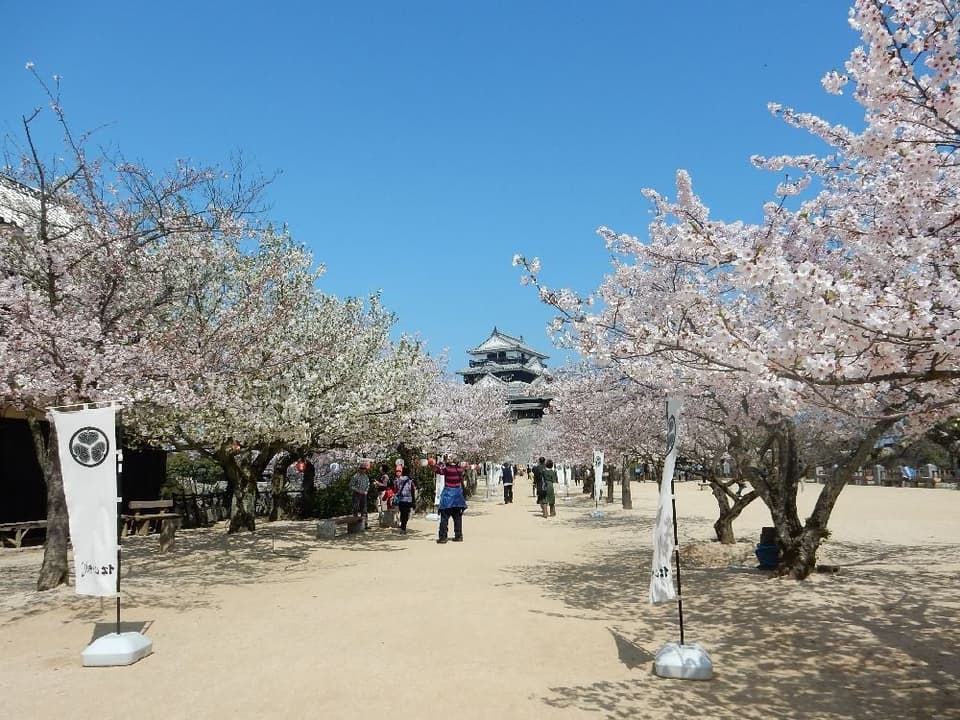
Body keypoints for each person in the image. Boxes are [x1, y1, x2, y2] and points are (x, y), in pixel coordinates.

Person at [435, 454, 467, 543]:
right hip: (458, 497)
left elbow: (438, 470)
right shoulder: (460, 470)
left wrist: (440, 462)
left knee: (444, 518)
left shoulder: (447, 469)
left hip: (448, 496)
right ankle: (459, 535)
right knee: (457, 518)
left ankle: (443, 537)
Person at [394, 467, 417, 534]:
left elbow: (396, 489)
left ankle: (403, 527)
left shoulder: (397, 480)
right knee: (406, 513)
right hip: (408, 499)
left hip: (401, 499)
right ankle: (404, 526)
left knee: (402, 513)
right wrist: (413, 500)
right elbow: (412, 490)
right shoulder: (410, 480)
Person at [349, 463, 371, 528]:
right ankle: (355, 524)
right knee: (355, 508)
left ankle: (365, 524)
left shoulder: (366, 476)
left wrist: (366, 490)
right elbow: (351, 485)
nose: (364, 470)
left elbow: (368, 484)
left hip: (364, 494)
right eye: (362, 468)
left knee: (364, 509)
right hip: (356, 494)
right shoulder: (355, 476)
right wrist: (358, 490)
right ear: (359, 469)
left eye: (365, 469)